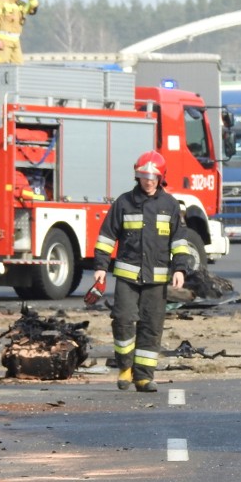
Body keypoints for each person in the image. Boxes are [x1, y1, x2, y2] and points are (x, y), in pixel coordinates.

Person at [91, 151, 191, 392]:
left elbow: (179, 241)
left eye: (152, 176)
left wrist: (180, 269)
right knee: (123, 320)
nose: (148, 180)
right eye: (143, 176)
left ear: (161, 177)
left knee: (151, 325)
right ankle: (125, 367)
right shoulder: (124, 203)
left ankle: (144, 377)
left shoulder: (170, 205)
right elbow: (106, 237)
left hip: (156, 280)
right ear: (137, 176)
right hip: (127, 277)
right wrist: (101, 268)